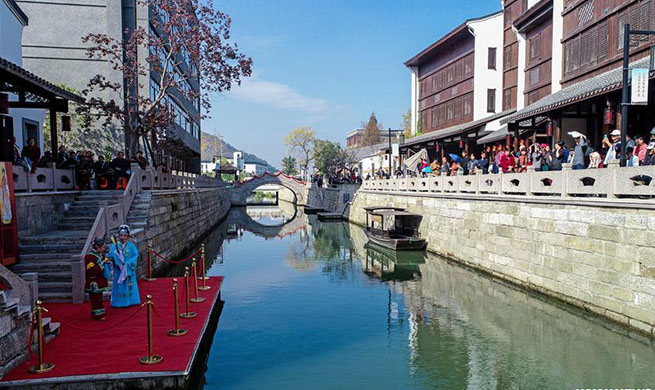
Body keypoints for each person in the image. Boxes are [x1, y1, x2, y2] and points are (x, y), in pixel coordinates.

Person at [106, 225, 140, 307]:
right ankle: (119, 302)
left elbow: (135, 256)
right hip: (118, 270)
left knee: (130, 284)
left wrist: (127, 264)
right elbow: (110, 255)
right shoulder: (115, 246)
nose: (123, 237)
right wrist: (115, 256)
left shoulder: (131, 246)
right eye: (121, 235)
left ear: (128, 236)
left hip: (128, 269)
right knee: (119, 285)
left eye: (124, 235)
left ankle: (132, 300)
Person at [85, 238, 111, 320]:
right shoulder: (89, 257)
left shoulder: (101, 255)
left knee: (99, 298)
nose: (104, 249)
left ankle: (100, 313)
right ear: (97, 247)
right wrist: (102, 263)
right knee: (95, 299)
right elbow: (91, 269)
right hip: (93, 281)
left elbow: (105, 260)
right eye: (103, 247)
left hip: (100, 280)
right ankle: (97, 315)